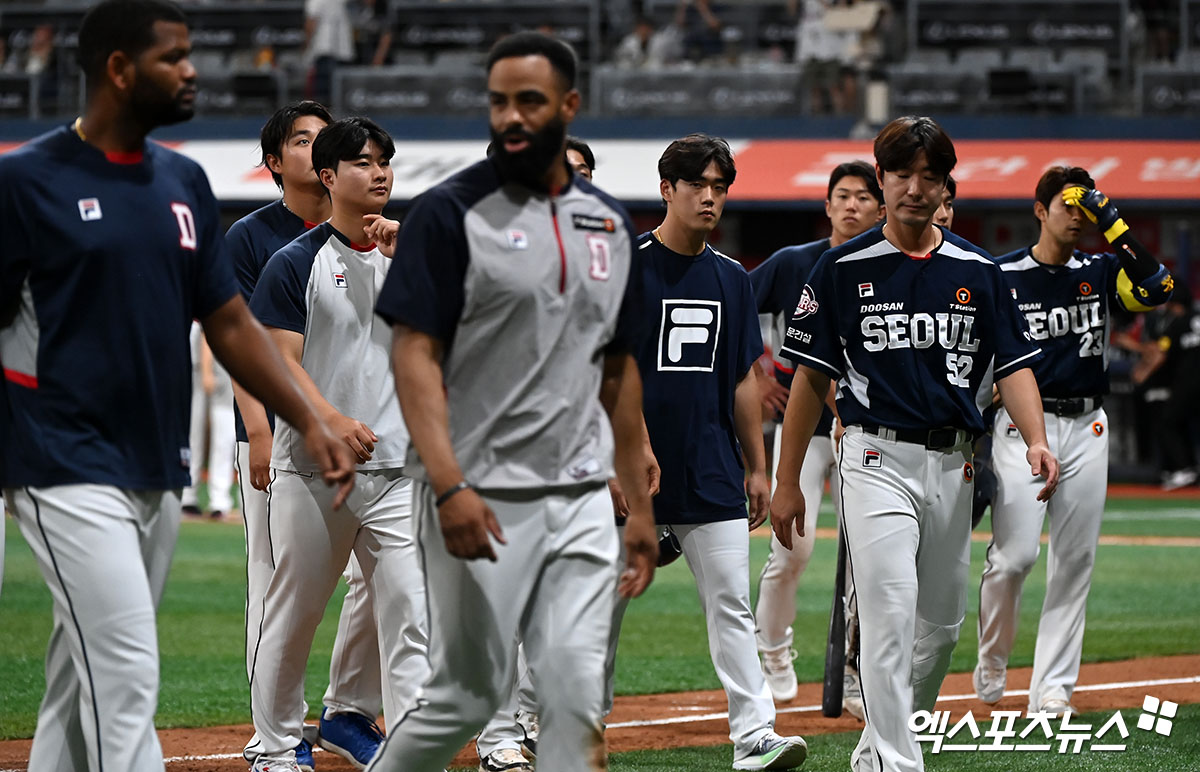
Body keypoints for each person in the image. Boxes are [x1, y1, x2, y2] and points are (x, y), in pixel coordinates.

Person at [0, 3, 355, 771]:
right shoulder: (24, 182)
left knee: (79, 671)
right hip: (59, 464)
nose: (192, 70)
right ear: (120, 70)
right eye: (174, 58)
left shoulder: (183, 180)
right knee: (126, 671)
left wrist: (309, 416)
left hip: (155, 466)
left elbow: (228, 321)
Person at [365, 31, 658, 772]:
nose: (510, 117)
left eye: (528, 101)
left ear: (569, 104)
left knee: (573, 695)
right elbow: (414, 355)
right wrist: (448, 483)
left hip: (583, 495)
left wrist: (642, 506)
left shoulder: (609, 224)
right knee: (467, 692)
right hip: (481, 493)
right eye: (498, 102)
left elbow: (618, 368)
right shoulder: (448, 212)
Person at [770, 115, 1060, 772]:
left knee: (941, 626)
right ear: (882, 179)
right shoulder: (840, 266)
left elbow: (1013, 364)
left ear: (944, 185)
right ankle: (901, 765)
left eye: (929, 176)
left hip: (956, 463)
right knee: (890, 614)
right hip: (873, 457)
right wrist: (788, 480)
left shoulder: (979, 269)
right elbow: (810, 380)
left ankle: (877, 753)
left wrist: (1037, 439)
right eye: (901, 173)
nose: (914, 187)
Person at [607, 133, 808, 772]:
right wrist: (629, 451)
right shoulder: (625, 269)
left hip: (711, 466)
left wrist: (757, 465)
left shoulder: (732, 279)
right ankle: (555, 726)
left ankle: (755, 738)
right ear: (667, 189)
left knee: (731, 604)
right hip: (625, 473)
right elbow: (608, 370)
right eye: (699, 185)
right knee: (596, 610)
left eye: (721, 188)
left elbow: (745, 377)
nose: (712, 198)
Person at [241, 117, 430, 772]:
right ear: (328, 177)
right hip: (313, 470)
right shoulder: (295, 262)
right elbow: (276, 359)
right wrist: (327, 418)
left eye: (384, 161)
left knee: (411, 618)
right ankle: (273, 749)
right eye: (362, 162)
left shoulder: (410, 255)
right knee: (292, 616)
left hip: (397, 471)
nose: (379, 172)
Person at [975, 166, 1174, 716]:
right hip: (1020, 427)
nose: (1079, 216)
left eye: (1087, 207)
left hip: (1087, 424)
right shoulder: (1003, 272)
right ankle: (992, 655)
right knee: (1013, 558)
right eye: (1069, 205)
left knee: (1074, 560)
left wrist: (1113, 222)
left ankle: (1052, 688)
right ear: (1039, 210)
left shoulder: (1105, 268)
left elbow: (1158, 287)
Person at [749, 160, 883, 711]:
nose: (852, 205)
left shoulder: (888, 265)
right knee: (791, 551)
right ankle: (773, 647)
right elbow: (731, 310)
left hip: (867, 431)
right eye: (842, 196)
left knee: (867, 566)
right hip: (807, 427)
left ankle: (854, 671)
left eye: (862, 198)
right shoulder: (793, 263)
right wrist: (757, 375)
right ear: (827, 206)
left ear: (880, 207)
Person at [181, 322, 235, 518]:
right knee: (192, 436)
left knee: (224, 438)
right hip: (196, 369)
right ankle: (188, 495)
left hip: (225, 369)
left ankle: (219, 500)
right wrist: (206, 371)